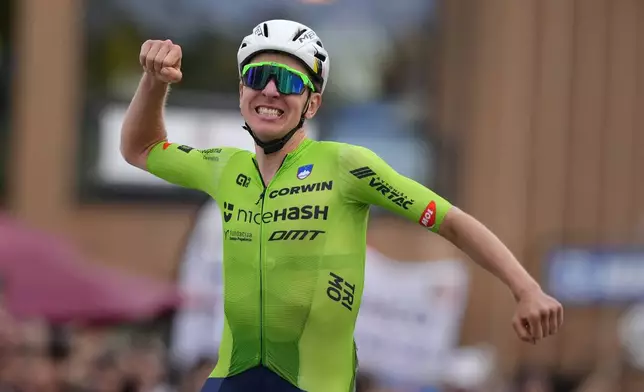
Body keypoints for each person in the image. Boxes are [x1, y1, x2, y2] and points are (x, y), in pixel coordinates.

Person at [120, 19, 564, 392]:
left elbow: (450, 221)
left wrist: (525, 288)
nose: (271, 91)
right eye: (258, 77)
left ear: (312, 103)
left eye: (290, 82)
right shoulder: (222, 167)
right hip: (231, 380)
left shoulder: (347, 165)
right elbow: (140, 148)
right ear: (241, 93)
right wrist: (154, 81)